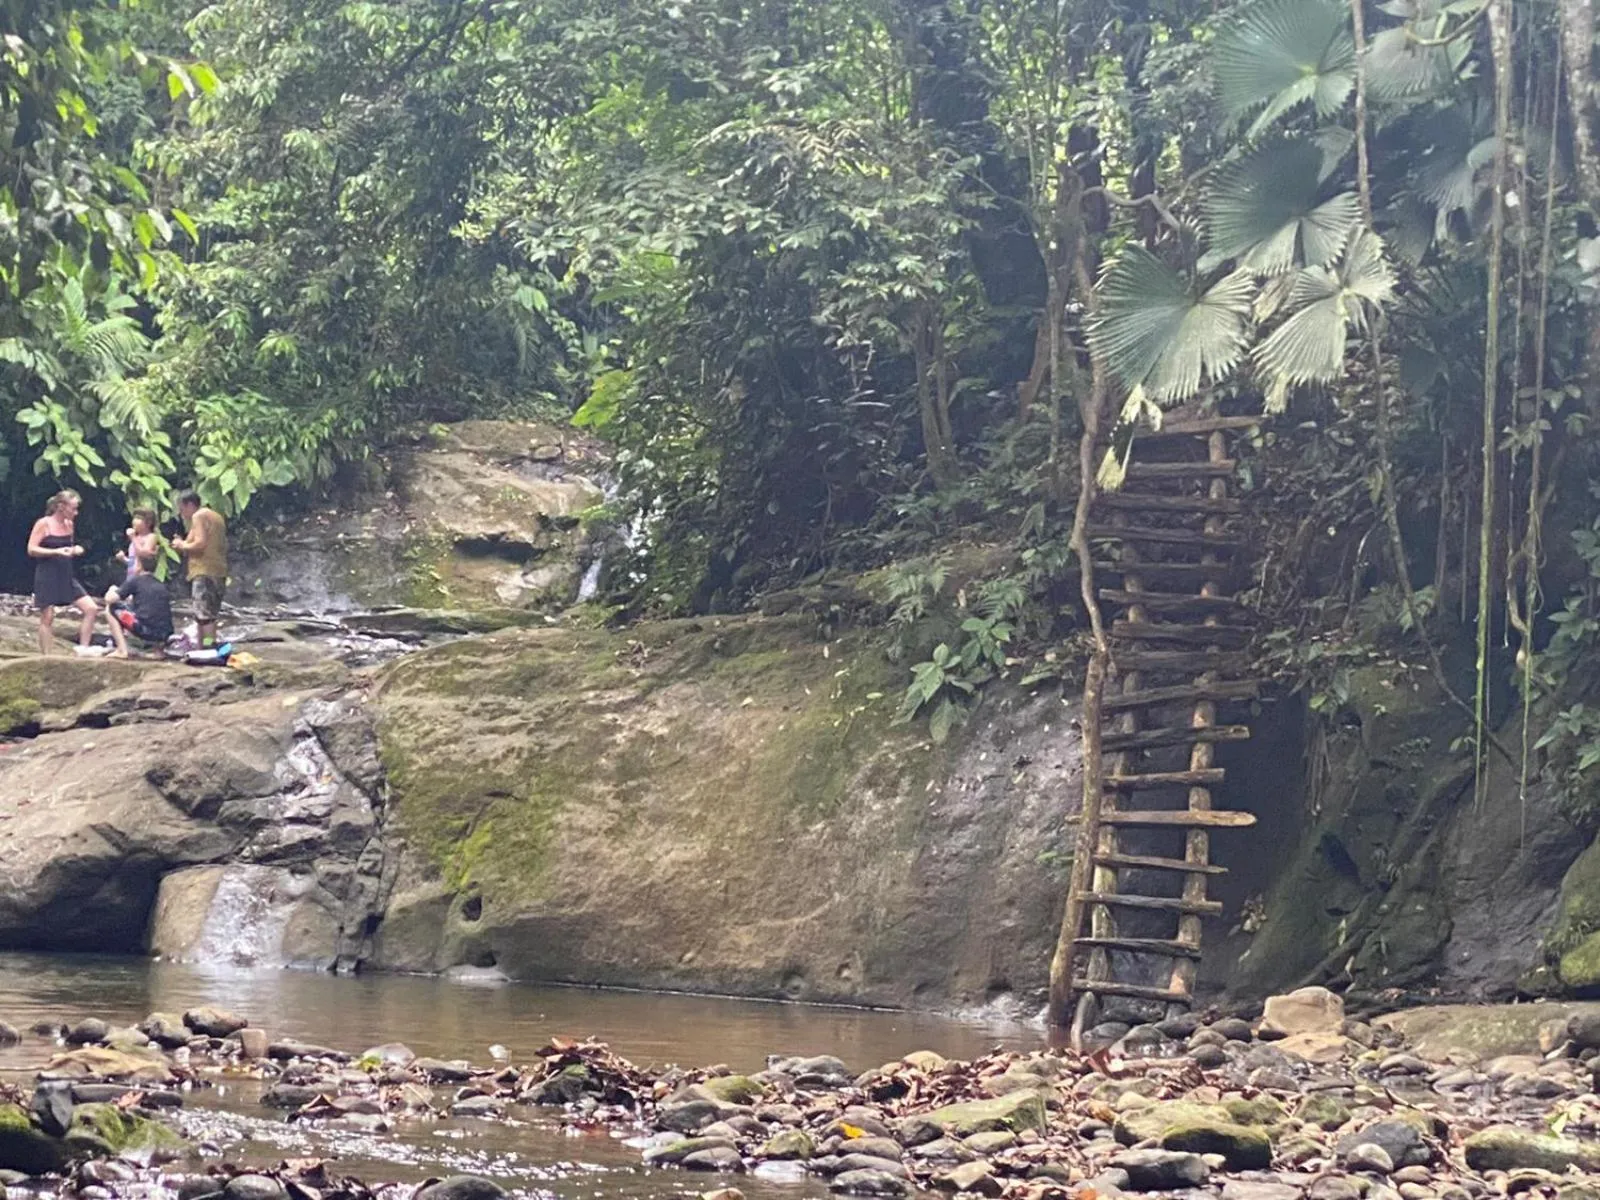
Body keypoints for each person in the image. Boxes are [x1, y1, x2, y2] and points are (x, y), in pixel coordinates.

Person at [28, 490, 127, 657]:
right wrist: (56, 552)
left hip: (66, 574)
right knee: (48, 616)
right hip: (47, 574)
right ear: (61, 507)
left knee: (91, 608)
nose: (76, 513)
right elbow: (31, 549)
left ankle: (83, 649)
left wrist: (74, 550)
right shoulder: (44, 524)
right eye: (73, 509)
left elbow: (69, 547)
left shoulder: (69, 525)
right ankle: (47, 656)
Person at [173, 489, 227, 647]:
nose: (182, 514)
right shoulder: (216, 517)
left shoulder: (199, 516)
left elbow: (200, 544)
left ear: (190, 505)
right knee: (209, 614)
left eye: (182, 509)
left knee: (204, 615)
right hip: (218, 571)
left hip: (204, 571)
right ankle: (204, 646)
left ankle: (208, 647)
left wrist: (182, 545)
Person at [106, 551, 174, 651]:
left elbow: (109, 599)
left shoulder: (136, 581)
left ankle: (122, 650)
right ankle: (158, 650)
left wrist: (111, 590)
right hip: (165, 634)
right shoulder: (160, 584)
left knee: (110, 609)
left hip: (146, 631)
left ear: (139, 566)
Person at [114, 508, 160, 585]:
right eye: (134, 518)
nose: (134, 521)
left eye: (139, 518)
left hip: (142, 577)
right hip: (131, 576)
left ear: (149, 523)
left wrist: (133, 538)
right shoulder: (135, 538)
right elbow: (134, 561)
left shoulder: (151, 537)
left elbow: (144, 554)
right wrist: (123, 559)